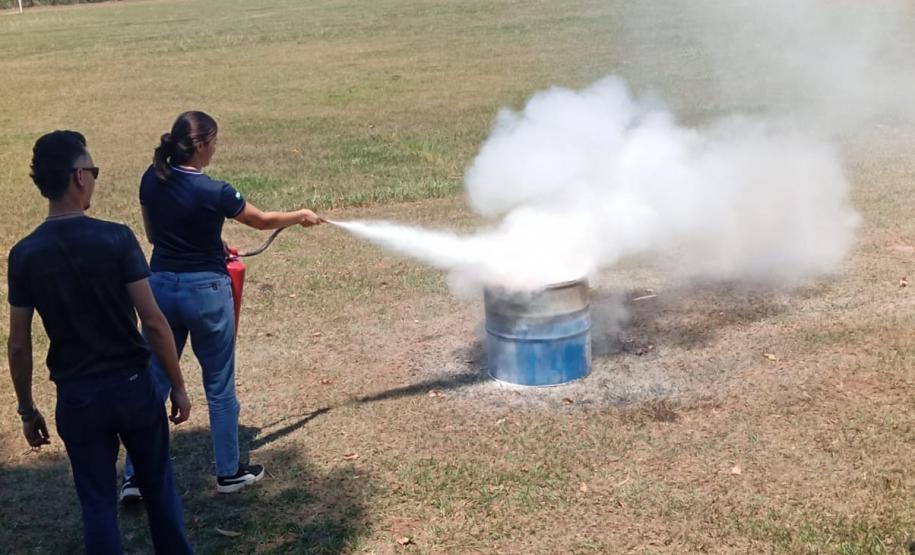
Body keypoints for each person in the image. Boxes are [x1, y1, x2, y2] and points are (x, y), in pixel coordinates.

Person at [7, 131, 194, 554]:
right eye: (92, 171)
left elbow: (18, 345)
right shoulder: (116, 239)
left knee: (96, 504)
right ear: (77, 177)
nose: (94, 179)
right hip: (132, 388)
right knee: (159, 490)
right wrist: (178, 385)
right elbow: (154, 322)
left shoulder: (25, 255)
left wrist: (26, 408)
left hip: (76, 397)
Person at [121, 111, 322, 500]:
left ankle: (134, 477)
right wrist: (299, 216)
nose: (216, 148)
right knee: (219, 385)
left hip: (160, 288)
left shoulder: (152, 178)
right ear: (199, 145)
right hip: (207, 293)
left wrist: (205, 244)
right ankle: (229, 472)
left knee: (154, 382)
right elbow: (262, 221)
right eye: (214, 141)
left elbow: (152, 234)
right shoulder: (215, 191)